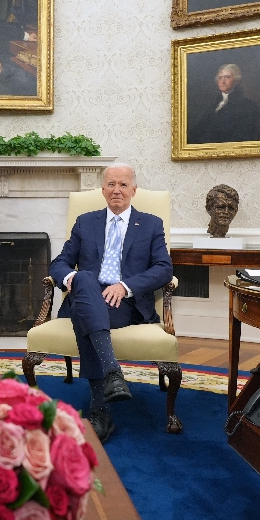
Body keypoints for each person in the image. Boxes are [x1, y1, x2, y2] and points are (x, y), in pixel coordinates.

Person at [48, 163, 173, 442]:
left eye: (123, 185)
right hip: (86, 293)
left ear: (134, 190)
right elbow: (60, 263)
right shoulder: (85, 221)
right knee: (84, 280)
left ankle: (100, 410)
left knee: (84, 311)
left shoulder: (151, 224)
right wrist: (71, 279)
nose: (117, 190)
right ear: (102, 189)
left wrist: (125, 286)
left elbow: (164, 269)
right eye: (112, 184)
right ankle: (112, 373)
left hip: (124, 304)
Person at [188, 63, 260, 145]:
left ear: (237, 80)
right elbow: (198, 131)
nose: (222, 81)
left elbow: (243, 137)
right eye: (220, 78)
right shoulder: (214, 106)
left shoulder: (247, 106)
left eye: (227, 77)